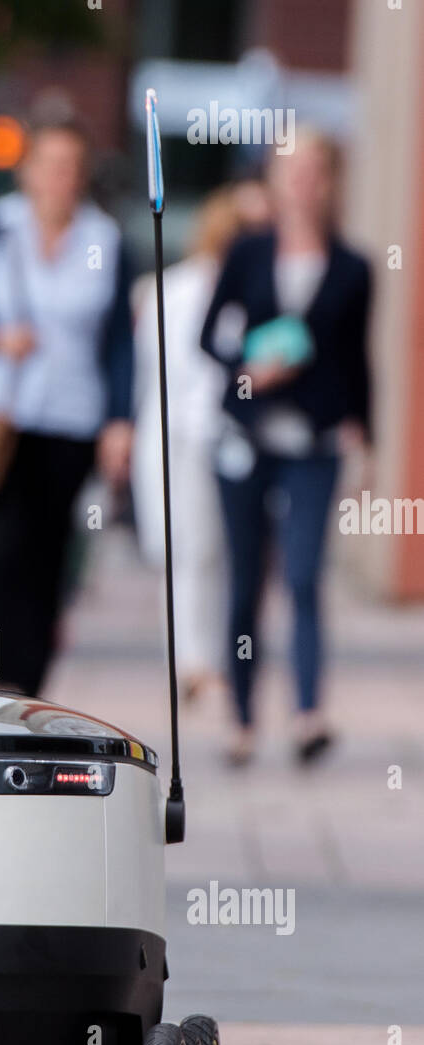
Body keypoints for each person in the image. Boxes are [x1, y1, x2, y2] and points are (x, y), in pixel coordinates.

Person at [0, 117, 134, 696]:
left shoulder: (105, 240)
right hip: (0, 411)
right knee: (0, 546)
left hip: (72, 415)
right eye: (49, 166)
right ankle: (0, 675)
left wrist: (121, 418)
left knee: (51, 550)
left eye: (70, 168)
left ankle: (31, 681)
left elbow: (120, 337)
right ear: (27, 172)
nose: (59, 178)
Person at [200, 131, 372, 765]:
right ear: (272, 178)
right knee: (245, 581)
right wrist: (250, 366)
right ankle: (242, 719)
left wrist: (365, 431)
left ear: (329, 180)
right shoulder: (247, 252)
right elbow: (207, 337)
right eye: (290, 168)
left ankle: (307, 714)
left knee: (302, 575)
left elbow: (358, 360)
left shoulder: (352, 266)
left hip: (315, 442)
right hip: (245, 436)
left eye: (314, 169)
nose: (302, 181)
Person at [132, 186, 260, 701]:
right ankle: (192, 659)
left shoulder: (249, 289)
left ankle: (204, 657)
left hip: (224, 435)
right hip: (184, 433)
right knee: (189, 549)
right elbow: (164, 371)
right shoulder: (177, 289)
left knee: (214, 553)